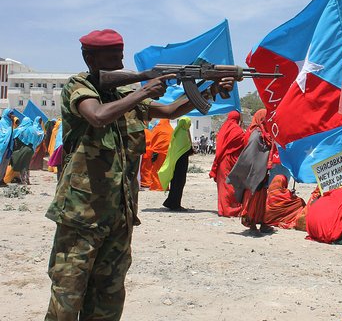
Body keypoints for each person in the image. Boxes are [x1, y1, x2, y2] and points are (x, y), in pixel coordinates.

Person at [44, 28, 234, 320]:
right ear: (89, 57)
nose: (120, 61)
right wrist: (144, 89)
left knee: (108, 297)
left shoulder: (124, 92)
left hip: (119, 215)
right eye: (112, 57)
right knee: (67, 298)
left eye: (120, 55)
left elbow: (170, 110)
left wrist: (207, 88)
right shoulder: (79, 86)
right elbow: (97, 116)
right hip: (81, 215)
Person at [227, 109, 274, 233]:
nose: (267, 121)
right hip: (253, 173)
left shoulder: (265, 133)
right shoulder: (255, 134)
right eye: (264, 118)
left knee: (262, 198)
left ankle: (262, 222)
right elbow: (251, 154)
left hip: (263, 172)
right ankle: (251, 223)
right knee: (252, 198)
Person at [209, 110, 245, 217]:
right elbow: (243, 142)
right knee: (231, 185)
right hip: (231, 161)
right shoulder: (237, 130)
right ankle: (230, 209)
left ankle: (222, 209)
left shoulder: (223, 129)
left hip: (221, 161)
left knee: (223, 186)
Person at [158, 117, 193, 211]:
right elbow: (187, 150)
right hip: (181, 163)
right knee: (179, 183)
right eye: (189, 123)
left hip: (177, 162)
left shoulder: (178, 132)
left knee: (175, 183)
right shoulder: (182, 134)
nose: (189, 125)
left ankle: (171, 202)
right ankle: (174, 204)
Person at [8, 116, 45, 184]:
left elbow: (14, 139)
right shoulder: (32, 129)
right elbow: (39, 135)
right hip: (30, 149)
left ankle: (23, 180)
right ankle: (27, 180)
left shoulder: (19, 130)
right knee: (26, 164)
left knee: (21, 165)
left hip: (22, 150)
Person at [148, 119, 173, 190]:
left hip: (158, 152)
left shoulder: (158, 128)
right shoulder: (171, 129)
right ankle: (165, 185)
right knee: (165, 170)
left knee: (156, 170)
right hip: (168, 153)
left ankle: (157, 186)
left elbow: (152, 138)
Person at [0, 109, 15, 187]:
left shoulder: (10, 123)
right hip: (2, 146)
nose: (13, 115)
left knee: (5, 164)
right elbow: (2, 134)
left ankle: (2, 179)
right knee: (1, 163)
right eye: (11, 114)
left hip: (8, 147)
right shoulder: (2, 122)